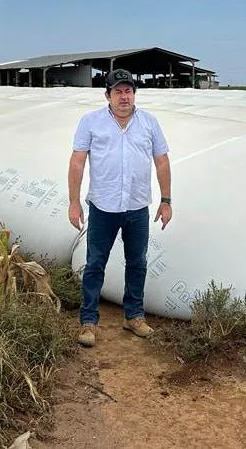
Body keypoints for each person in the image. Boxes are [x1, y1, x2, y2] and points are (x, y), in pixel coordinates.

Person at [67, 68, 173, 347]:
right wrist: (74, 202)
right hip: (103, 206)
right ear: (108, 95)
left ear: (134, 94)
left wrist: (166, 200)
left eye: (128, 90)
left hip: (137, 206)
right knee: (95, 263)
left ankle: (133, 316)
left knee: (137, 262)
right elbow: (77, 161)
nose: (124, 96)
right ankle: (88, 321)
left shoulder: (149, 123)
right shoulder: (91, 122)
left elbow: (161, 161)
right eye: (118, 91)